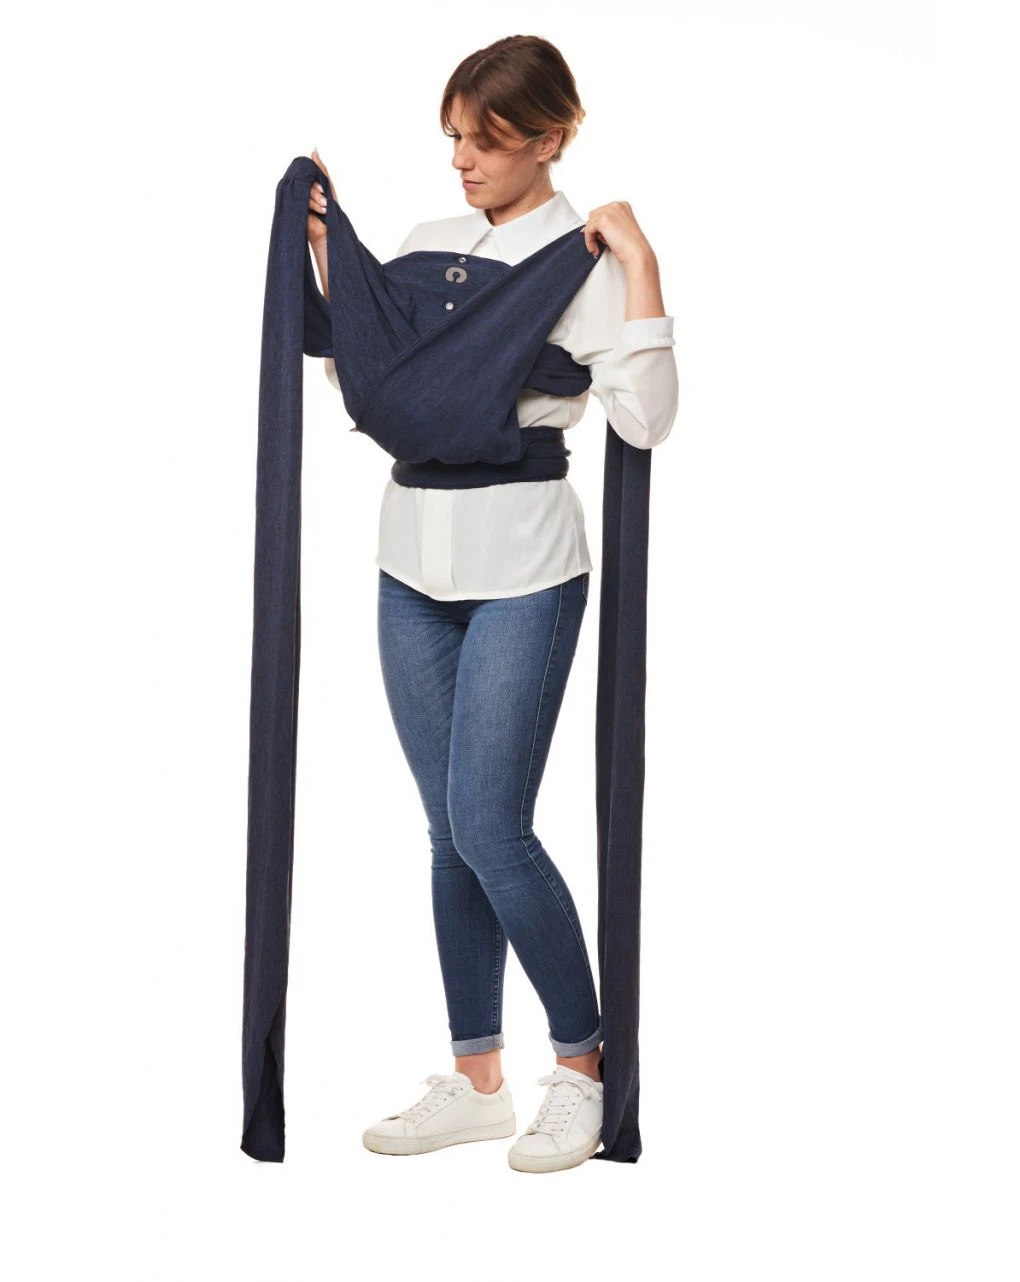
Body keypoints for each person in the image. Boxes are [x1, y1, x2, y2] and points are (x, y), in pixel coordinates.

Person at [305, 35, 677, 1174]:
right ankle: (475, 1084)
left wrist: (643, 265)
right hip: (409, 564)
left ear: (550, 138)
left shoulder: (585, 261)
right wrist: (331, 265)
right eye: (455, 137)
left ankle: (584, 1068)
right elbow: (380, 394)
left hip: (524, 567)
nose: (463, 159)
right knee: (448, 833)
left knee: (490, 827)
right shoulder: (424, 243)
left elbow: (645, 417)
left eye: (488, 140)